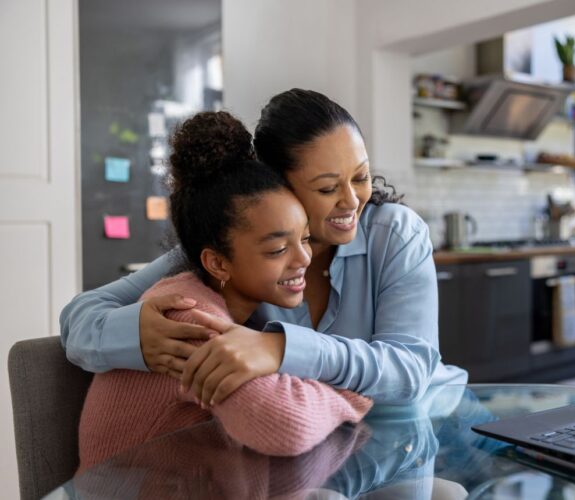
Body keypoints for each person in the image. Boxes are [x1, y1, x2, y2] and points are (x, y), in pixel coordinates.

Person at [60, 89, 467, 406]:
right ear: (280, 186)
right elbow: (80, 316)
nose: (352, 200)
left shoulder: (393, 233)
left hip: (434, 425)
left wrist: (279, 348)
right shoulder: (234, 251)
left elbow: (410, 371)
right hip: (332, 450)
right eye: (327, 187)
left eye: (360, 177)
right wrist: (138, 336)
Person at [76, 111, 372, 472]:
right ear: (217, 263)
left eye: (305, 239)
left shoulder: (225, 308)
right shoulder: (188, 319)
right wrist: (353, 395)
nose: (304, 259)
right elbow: (286, 428)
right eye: (278, 249)